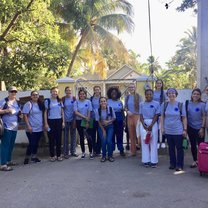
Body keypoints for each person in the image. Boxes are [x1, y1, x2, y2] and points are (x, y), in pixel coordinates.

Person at [161, 88, 187, 171]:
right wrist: (162, 128)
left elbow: (184, 118)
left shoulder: (180, 105)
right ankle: (172, 163)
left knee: (179, 148)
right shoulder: (164, 105)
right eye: (169, 93)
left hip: (178, 130)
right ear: (167, 95)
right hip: (168, 130)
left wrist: (185, 129)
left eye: (173, 93)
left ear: (176, 94)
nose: (171, 94)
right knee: (171, 148)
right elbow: (162, 117)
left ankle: (179, 165)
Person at [0, 86, 22, 171]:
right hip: (6, 126)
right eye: (12, 91)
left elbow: (18, 113)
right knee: (5, 145)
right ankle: (3, 164)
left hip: (14, 127)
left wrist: (20, 115)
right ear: (8, 92)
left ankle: (8, 161)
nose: (13, 93)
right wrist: (6, 111)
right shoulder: (4, 102)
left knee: (11, 145)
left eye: (15, 92)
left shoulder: (17, 103)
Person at [23, 91, 45, 164]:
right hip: (31, 128)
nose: (35, 96)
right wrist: (28, 126)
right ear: (31, 96)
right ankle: (27, 157)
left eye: (36, 95)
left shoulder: (40, 104)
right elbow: (25, 116)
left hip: (39, 128)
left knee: (36, 143)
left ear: (38, 96)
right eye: (33, 95)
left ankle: (34, 157)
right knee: (32, 143)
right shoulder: (28, 104)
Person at [140, 89, 160, 168]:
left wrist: (151, 125)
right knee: (145, 142)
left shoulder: (156, 103)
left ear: (153, 95)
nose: (149, 96)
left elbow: (156, 115)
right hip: (144, 123)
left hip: (153, 123)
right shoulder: (141, 104)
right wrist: (144, 125)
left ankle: (153, 161)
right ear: (145, 95)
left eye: (150, 94)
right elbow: (140, 115)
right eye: (147, 94)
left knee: (153, 142)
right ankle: (146, 160)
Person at [186, 88, 206, 168]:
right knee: (193, 145)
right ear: (192, 95)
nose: (196, 95)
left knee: (200, 145)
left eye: (198, 94)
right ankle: (195, 160)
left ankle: (201, 161)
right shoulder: (187, 103)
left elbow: (204, 116)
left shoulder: (202, 104)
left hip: (200, 128)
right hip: (190, 127)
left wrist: (202, 128)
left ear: (200, 95)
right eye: (194, 94)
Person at [44, 87, 65, 162]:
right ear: (51, 92)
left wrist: (63, 122)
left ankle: (59, 155)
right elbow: (45, 112)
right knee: (51, 139)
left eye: (56, 92)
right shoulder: (47, 101)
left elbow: (62, 112)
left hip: (59, 121)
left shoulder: (59, 101)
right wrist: (46, 123)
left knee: (58, 139)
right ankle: (52, 155)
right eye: (53, 91)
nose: (55, 93)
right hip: (50, 121)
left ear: (57, 93)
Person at [74, 88, 93, 159]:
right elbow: (76, 112)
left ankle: (91, 152)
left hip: (87, 121)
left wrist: (87, 121)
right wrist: (84, 117)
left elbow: (89, 111)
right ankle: (83, 152)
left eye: (83, 94)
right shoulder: (76, 102)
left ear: (85, 95)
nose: (82, 95)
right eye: (80, 94)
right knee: (81, 137)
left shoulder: (88, 102)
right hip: (79, 121)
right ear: (78, 95)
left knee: (89, 137)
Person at [124, 83, 143, 156]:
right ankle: (133, 152)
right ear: (128, 88)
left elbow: (142, 107)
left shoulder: (139, 96)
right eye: (130, 87)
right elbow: (125, 106)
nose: (131, 88)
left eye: (133, 87)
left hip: (137, 116)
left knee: (139, 134)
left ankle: (143, 150)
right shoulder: (127, 97)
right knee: (131, 134)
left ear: (135, 88)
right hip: (129, 117)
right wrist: (127, 111)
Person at [96, 97, 116, 162]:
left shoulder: (110, 108)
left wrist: (108, 122)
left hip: (110, 126)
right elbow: (98, 121)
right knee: (104, 141)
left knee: (109, 141)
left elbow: (114, 118)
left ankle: (110, 156)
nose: (103, 103)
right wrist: (103, 130)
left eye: (104, 101)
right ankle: (103, 156)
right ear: (99, 103)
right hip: (101, 127)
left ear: (106, 102)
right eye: (101, 101)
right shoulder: (98, 110)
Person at [107, 87, 125, 156]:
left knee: (120, 134)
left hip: (119, 119)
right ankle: (111, 150)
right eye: (112, 92)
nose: (114, 93)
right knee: (111, 135)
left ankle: (121, 149)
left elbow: (122, 111)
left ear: (117, 93)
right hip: (111, 119)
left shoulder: (120, 102)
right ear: (110, 94)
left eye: (115, 92)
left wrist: (124, 120)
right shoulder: (108, 101)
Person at [62, 87, 77, 159]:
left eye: (70, 90)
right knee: (66, 137)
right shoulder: (63, 99)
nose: (68, 91)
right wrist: (63, 121)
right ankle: (65, 153)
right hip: (65, 120)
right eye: (67, 90)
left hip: (73, 120)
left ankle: (73, 152)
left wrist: (74, 120)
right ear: (65, 91)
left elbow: (76, 109)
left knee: (73, 136)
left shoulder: (74, 98)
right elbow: (61, 110)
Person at [153, 79, 167, 149]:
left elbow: (166, 101)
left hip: (162, 112)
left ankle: (163, 141)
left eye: (160, 83)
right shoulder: (153, 92)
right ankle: (158, 141)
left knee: (162, 126)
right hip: (155, 112)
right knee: (156, 127)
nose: (159, 84)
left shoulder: (164, 93)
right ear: (155, 84)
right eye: (157, 83)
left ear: (162, 84)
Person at [90, 86, 102, 156]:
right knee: (93, 135)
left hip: (100, 119)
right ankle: (94, 150)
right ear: (94, 91)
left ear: (100, 90)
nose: (97, 91)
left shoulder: (102, 98)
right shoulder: (91, 99)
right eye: (95, 90)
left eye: (98, 89)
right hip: (93, 119)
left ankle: (98, 151)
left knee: (100, 136)